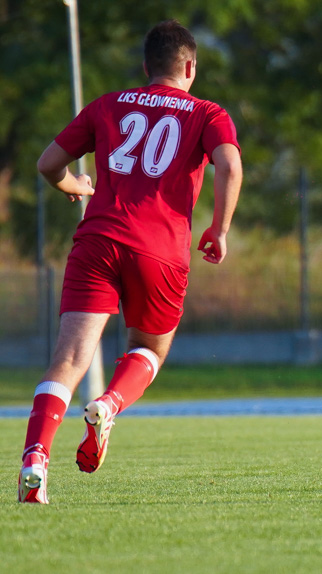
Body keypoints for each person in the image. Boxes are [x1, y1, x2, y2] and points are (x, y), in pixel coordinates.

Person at [18, 20, 242, 504]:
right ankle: (109, 403)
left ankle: (35, 457)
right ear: (190, 66)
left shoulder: (108, 104)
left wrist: (75, 186)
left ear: (146, 67)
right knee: (150, 349)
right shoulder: (207, 112)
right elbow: (229, 164)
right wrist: (219, 229)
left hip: (98, 239)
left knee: (69, 358)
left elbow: (46, 164)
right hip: (160, 249)